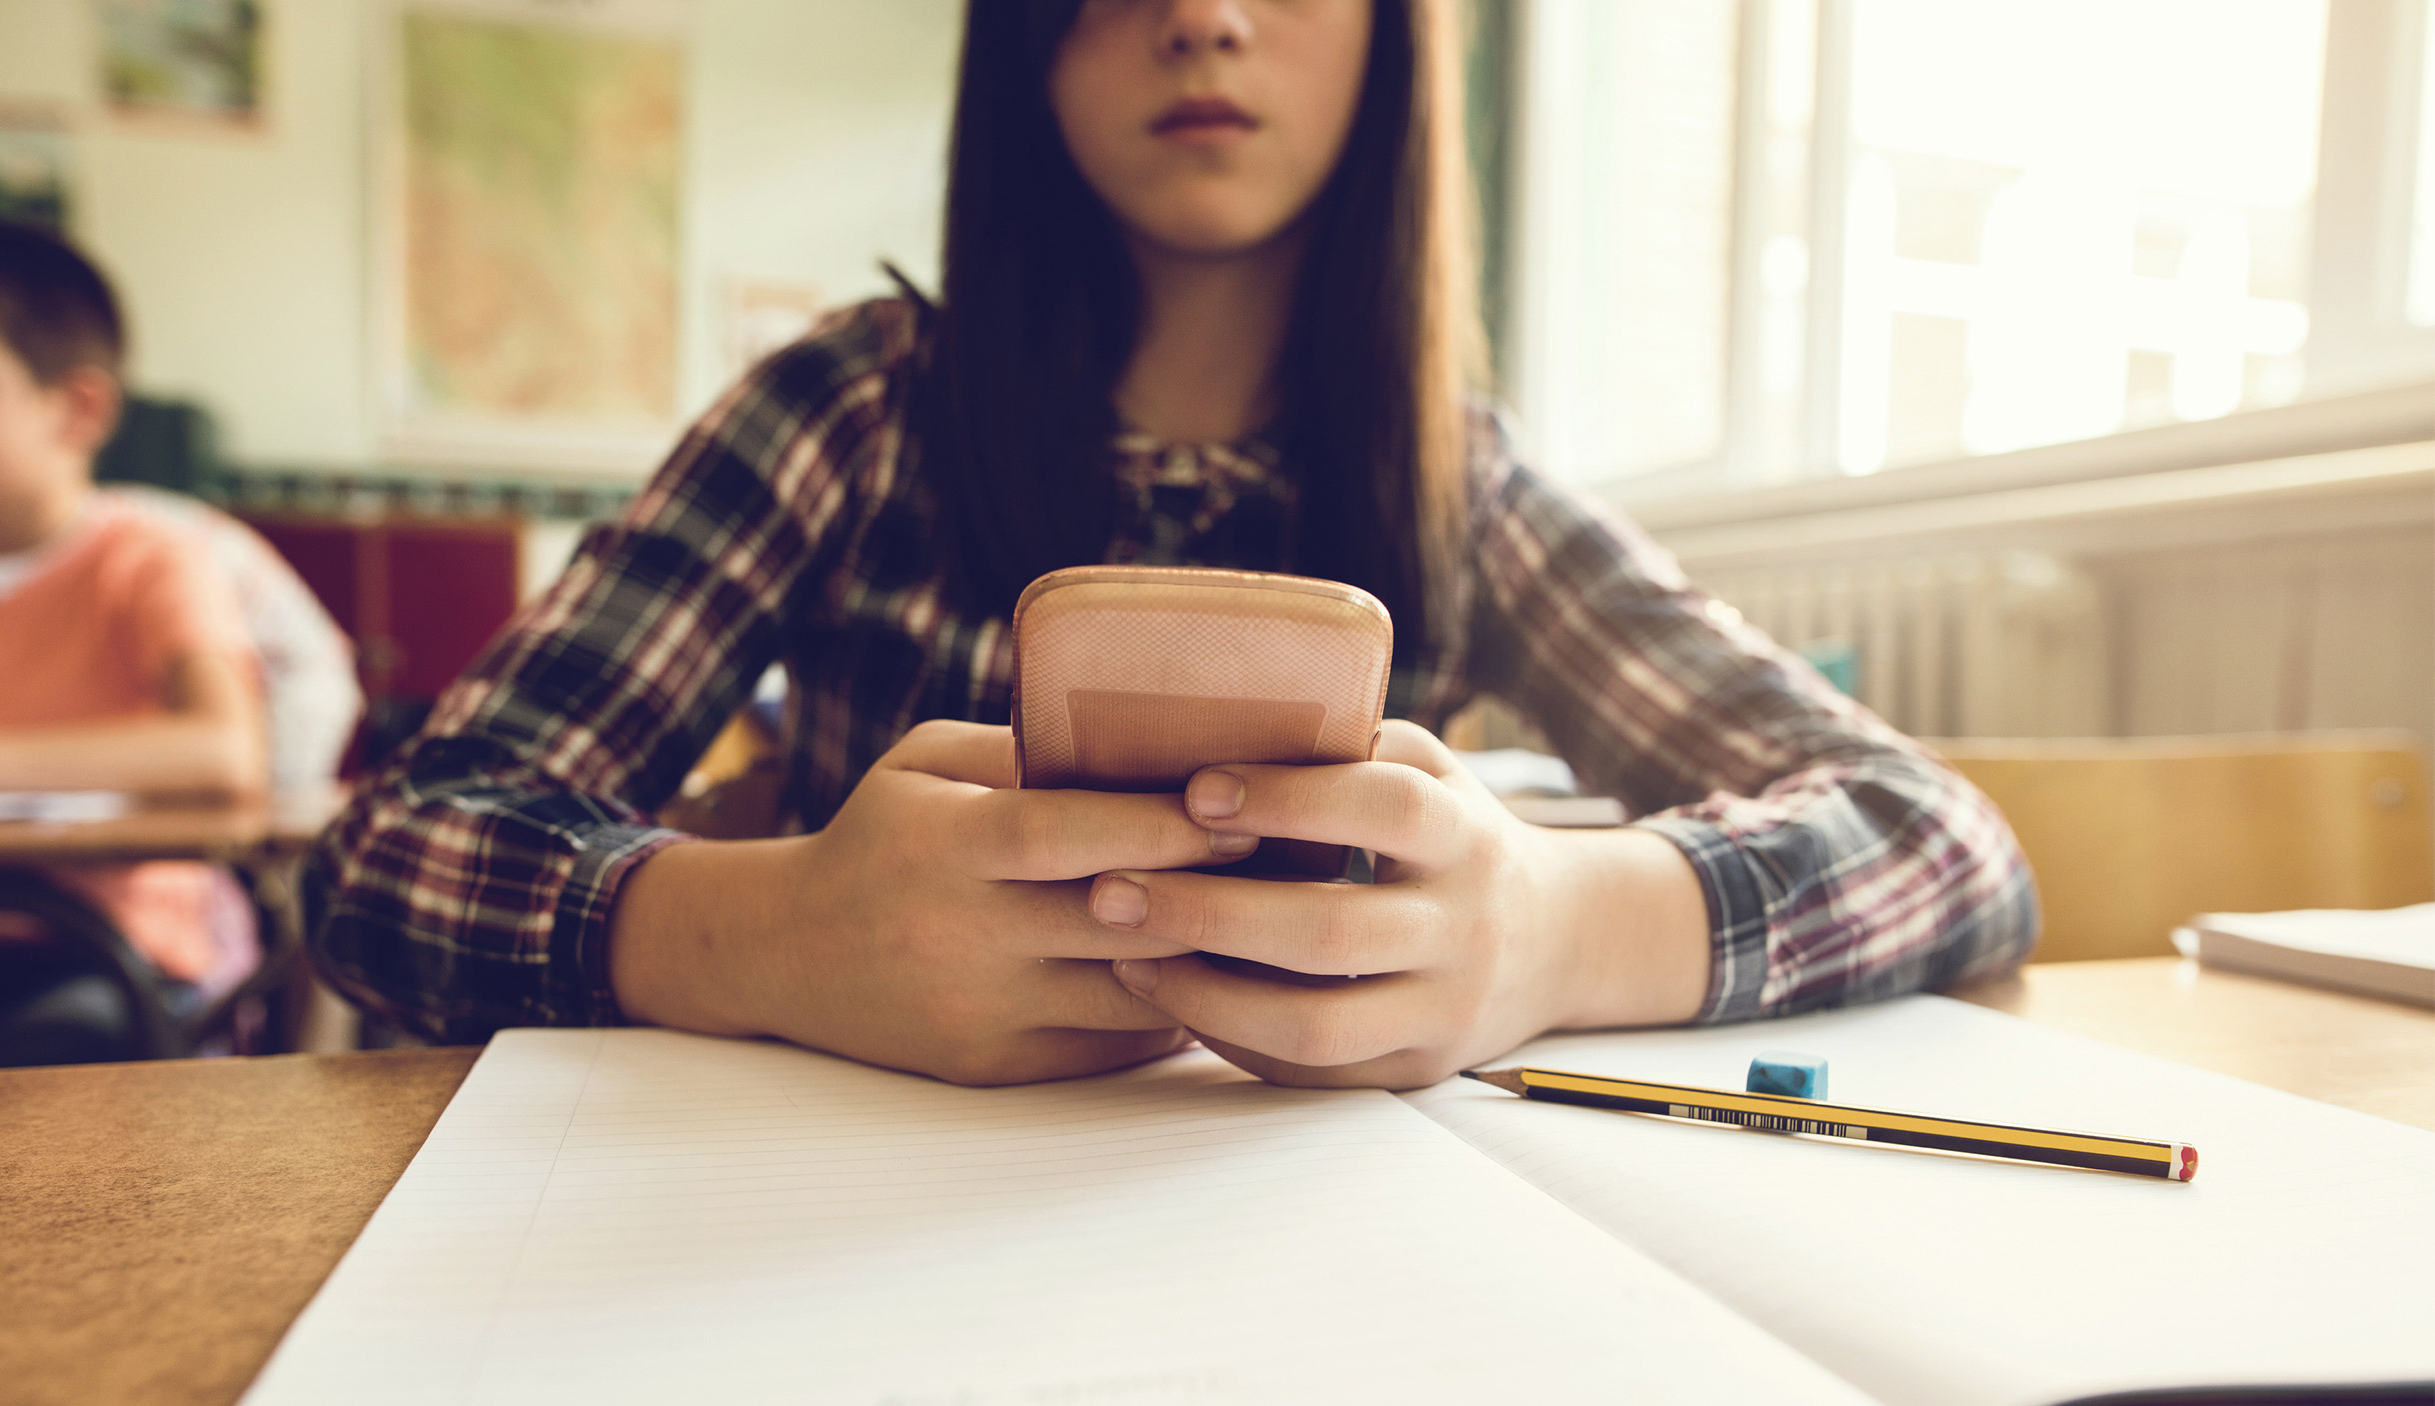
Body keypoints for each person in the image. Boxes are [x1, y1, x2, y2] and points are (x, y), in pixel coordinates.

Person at [308, 0, 2035, 1088]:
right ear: (1027, 41)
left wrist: (1558, 932)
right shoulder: (848, 408)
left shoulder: (1466, 486)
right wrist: (774, 933)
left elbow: (1942, 841)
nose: (1203, 19)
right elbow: (389, 862)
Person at [0, 212, 266, 1065]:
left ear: (76, 408)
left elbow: (223, 751)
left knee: (39, 1065)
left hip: (106, 952)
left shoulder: (151, 557)